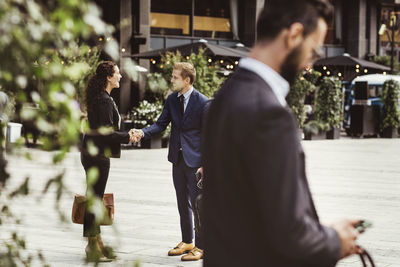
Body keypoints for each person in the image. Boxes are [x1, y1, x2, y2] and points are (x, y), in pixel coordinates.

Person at [202, 1, 361, 266]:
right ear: (294, 34)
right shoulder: (269, 113)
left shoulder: (225, 96)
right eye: (313, 50)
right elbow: (290, 234)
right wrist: (335, 240)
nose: (310, 62)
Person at [131, 62, 209, 261]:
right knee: (182, 202)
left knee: (198, 205)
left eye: (175, 77)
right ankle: (187, 241)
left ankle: (201, 246)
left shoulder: (203, 102)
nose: (171, 80)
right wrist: (142, 132)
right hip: (177, 159)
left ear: (187, 80)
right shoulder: (172, 100)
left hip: (196, 162)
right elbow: (160, 125)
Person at [81, 61, 135, 262]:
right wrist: (128, 136)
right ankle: (92, 247)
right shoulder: (103, 100)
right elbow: (106, 133)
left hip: (91, 153)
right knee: (95, 200)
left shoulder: (101, 98)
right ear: (109, 78)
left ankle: (96, 243)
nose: (120, 76)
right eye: (117, 73)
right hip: (97, 155)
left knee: (94, 197)